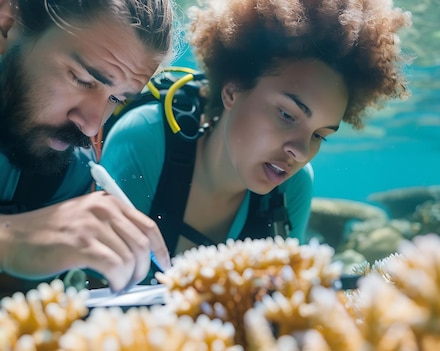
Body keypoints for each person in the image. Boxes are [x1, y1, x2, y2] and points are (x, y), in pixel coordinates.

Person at [0, 0, 175, 319]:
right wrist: (12, 239)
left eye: (116, 99)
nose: (92, 125)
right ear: (5, 23)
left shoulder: (66, 171)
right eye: (82, 79)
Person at [99, 0, 411, 264]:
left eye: (319, 135)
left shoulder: (295, 188)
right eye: (287, 114)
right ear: (232, 90)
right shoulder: (143, 139)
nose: (301, 152)